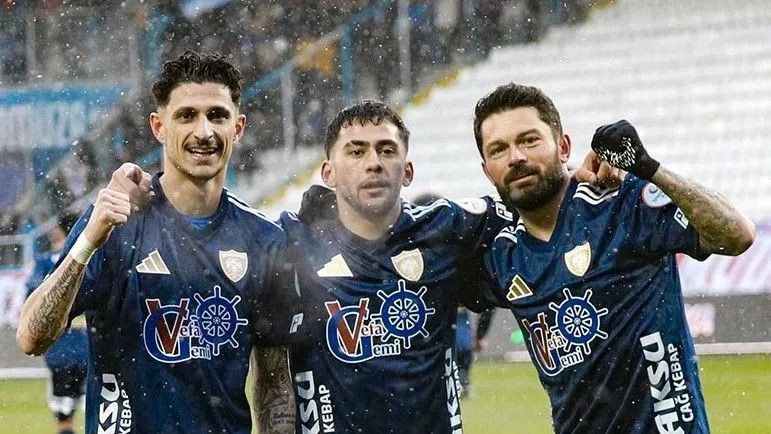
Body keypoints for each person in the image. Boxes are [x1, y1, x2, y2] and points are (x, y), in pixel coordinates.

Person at [285, 100, 621, 433]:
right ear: (328, 172)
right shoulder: (291, 243)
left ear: (408, 171)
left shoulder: (448, 229)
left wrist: (574, 180)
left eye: (387, 150)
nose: (373, 163)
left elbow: (532, 201)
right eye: (356, 152)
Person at [16, 51, 296, 434]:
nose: (204, 132)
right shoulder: (115, 223)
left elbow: (275, 385)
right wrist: (89, 241)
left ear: (238, 127)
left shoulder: (265, 241)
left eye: (217, 115)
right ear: (159, 127)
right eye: (187, 116)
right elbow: (31, 337)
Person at [473, 83, 756, 432]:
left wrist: (650, 168)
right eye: (498, 149)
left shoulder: (621, 202)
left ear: (563, 147)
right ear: (487, 170)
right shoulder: (500, 254)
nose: (516, 157)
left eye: (529, 140)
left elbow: (737, 235)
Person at [25, 212, 87, 434]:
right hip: (89, 347)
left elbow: (33, 298)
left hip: (60, 347)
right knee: (95, 407)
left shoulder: (46, 263)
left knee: (63, 411)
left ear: (58, 232)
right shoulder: (95, 259)